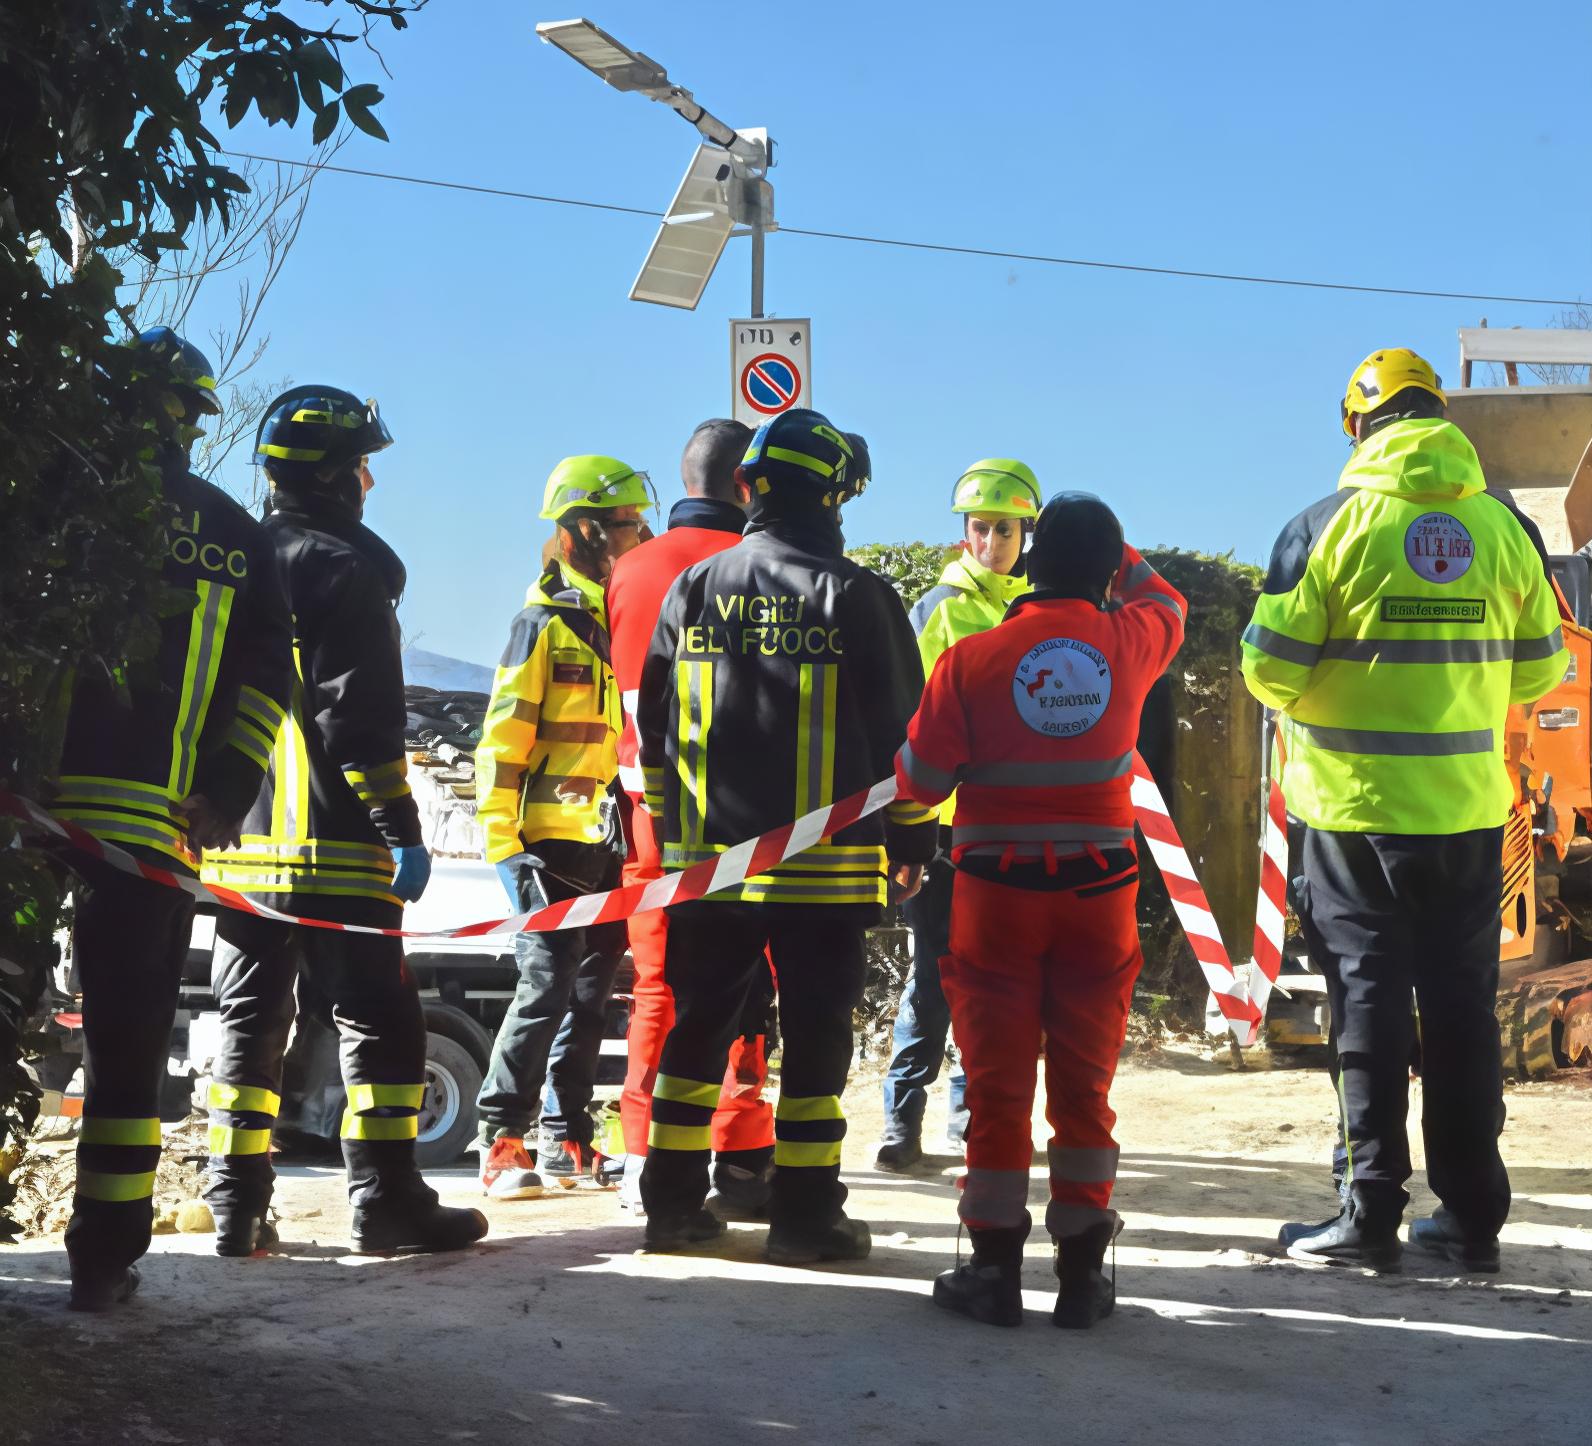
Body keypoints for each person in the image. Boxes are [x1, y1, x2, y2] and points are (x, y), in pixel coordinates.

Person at [1241, 347, 1569, 1273]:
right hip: (1468, 816)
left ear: (1358, 426)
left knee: (1368, 1008)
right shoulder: (1505, 529)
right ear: (1441, 418)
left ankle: (1368, 1213)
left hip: (1352, 818)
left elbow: (1268, 670)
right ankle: (1471, 1221)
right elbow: (1544, 672)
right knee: (1463, 1014)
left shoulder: (1326, 526)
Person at [635, 409, 939, 1262]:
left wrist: (675, 838)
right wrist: (913, 844)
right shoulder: (862, 597)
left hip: (711, 869)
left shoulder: (689, 589)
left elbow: (652, 732)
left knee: (695, 1031)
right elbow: (904, 746)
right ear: (836, 496)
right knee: (815, 1045)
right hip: (825, 878)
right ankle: (806, 1215)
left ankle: (671, 1206)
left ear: (748, 488)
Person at [200, 386, 487, 1258]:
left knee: (250, 1022)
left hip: (242, 845)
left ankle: (234, 1208)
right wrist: (401, 826)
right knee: (381, 1023)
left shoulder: (237, 558)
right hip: (337, 847)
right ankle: (386, 1200)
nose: (370, 479)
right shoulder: (347, 571)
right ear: (335, 476)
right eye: (362, 463)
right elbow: (358, 721)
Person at [895, 492, 1185, 1328]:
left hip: (996, 899)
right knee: (1085, 1090)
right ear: (1107, 571)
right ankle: (1085, 1277)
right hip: (1099, 900)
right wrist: (1117, 557)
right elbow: (1166, 597)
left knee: (996, 1086)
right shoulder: (1131, 642)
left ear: (1028, 560)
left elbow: (919, 783)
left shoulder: (973, 660)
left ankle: (991, 1274)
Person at [53, 328, 294, 1309]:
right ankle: (104, 1263)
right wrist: (227, 794)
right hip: (154, 828)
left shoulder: (48, 502)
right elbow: (265, 688)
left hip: (25, 813)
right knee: (125, 1050)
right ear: (192, 422)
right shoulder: (235, 533)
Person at [606, 418, 779, 1220]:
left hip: (648, 813)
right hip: (743, 819)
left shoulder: (629, 570)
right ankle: (742, 1155)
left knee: (656, 990)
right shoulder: (755, 568)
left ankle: (642, 1156)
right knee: (746, 989)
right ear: (748, 486)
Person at [473, 456, 646, 1196]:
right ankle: (499, 1142)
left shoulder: (624, 618)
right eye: (629, 525)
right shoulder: (539, 624)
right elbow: (502, 739)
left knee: (591, 995)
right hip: (547, 843)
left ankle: (566, 1139)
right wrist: (505, 845)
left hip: (610, 843)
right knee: (543, 988)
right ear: (583, 530)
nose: (641, 536)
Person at [876, 459, 1038, 1172]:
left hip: (1008, 825)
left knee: (996, 979)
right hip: (944, 829)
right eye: (981, 528)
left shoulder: (1043, 609)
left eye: (1005, 528)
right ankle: (900, 1123)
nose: (992, 541)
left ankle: (968, 1121)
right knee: (934, 977)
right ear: (964, 532)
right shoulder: (936, 610)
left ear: (1026, 532)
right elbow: (913, 724)